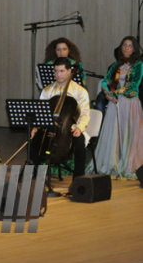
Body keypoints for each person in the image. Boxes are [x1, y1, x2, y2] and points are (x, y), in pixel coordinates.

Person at [31, 57, 90, 180]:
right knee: (34, 139)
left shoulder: (80, 91)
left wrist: (79, 127)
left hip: (71, 127)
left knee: (79, 143)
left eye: (62, 71)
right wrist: (36, 126)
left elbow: (85, 113)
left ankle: (78, 179)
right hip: (49, 126)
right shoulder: (47, 90)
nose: (58, 74)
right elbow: (40, 112)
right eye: (56, 71)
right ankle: (35, 175)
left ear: (69, 71)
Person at [94, 36, 143, 180]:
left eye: (130, 46)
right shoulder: (117, 64)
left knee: (130, 134)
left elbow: (133, 86)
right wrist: (108, 94)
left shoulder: (138, 65)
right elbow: (106, 82)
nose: (126, 48)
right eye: (124, 45)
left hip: (131, 103)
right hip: (116, 104)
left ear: (134, 49)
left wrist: (114, 93)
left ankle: (130, 165)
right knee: (115, 134)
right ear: (121, 47)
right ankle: (115, 162)